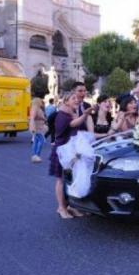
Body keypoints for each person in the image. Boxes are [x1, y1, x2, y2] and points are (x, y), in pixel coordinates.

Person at [49, 91, 92, 219]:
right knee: (61, 180)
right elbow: (73, 124)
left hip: (72, 152)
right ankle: (61, 208)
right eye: (73, 98)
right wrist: (85, 114)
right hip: (62, 151)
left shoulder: (71, 113)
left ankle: (72, 206)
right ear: (66, 101)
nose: (77, 100)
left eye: (77, 98)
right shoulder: (62, 115)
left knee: (71, 179)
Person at [29, 97, 47, 163]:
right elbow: (32, 118)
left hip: (39, 127)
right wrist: (32, 127)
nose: (42, 103)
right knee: (42, 141)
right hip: (36, 128)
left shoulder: (38, 108)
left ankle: (35, 156)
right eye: (41, 101)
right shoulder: (35, 108)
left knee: (36, 141)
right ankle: (36, 155)